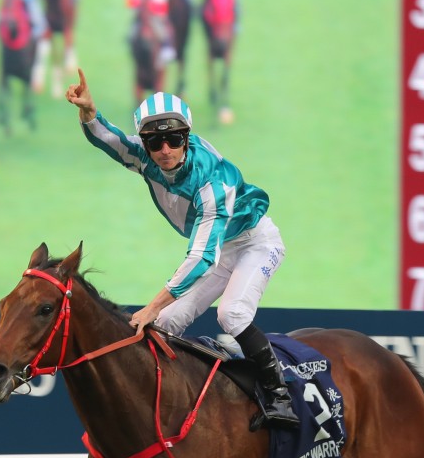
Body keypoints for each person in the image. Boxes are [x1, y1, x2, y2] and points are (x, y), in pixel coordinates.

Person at [64, 68, 297, 430]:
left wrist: (150, 306)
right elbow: (109, 141)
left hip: (255, 242)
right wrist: (89, 111)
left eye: (174, 140)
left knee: (231, 314)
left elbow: (204, 257)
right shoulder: (145, 156)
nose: (165, 150)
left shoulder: (212, 181)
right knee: (167, 324)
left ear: (186, 137)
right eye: (154, 143)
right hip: (220, 248)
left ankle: (280, 396)